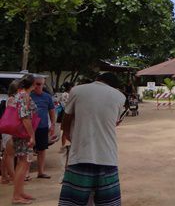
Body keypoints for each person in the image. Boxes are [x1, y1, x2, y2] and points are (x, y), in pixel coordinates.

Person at [59, 72, 126, 206]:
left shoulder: (76, 91)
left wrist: (73, 139)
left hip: (79, 158)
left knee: (72, 202)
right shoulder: (120, 96)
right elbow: (114, 122)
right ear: (114, 86)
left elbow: (65, 122)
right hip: (108, 159)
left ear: (97, 79)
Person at [12, 75, 39, 204]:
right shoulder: (24, 96)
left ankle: (19, 192)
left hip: (21, 133)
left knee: (22, 164)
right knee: (23, 164)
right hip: (24, 134)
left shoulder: (20, 94)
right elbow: (25, 117)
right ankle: (17, 195)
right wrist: (32, 135)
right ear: (33, 84)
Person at [30, 75, 56, 179]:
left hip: (43, 127)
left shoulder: (47, 97)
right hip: (30, 128)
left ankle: (40, 172)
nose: (37, 86)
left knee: (42, 149)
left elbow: (52, 111)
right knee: (28, 150)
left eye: (40, 84)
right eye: (36, 84)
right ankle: (26, 173)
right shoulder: (29, 96)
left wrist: (53, 125)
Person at [1, 80, 18, 185]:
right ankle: (13, 177)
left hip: (7, 128)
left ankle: (4, 176)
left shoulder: (10, 99)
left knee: (7, 154)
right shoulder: (13, 100)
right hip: (11, 129)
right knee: (10, 154)